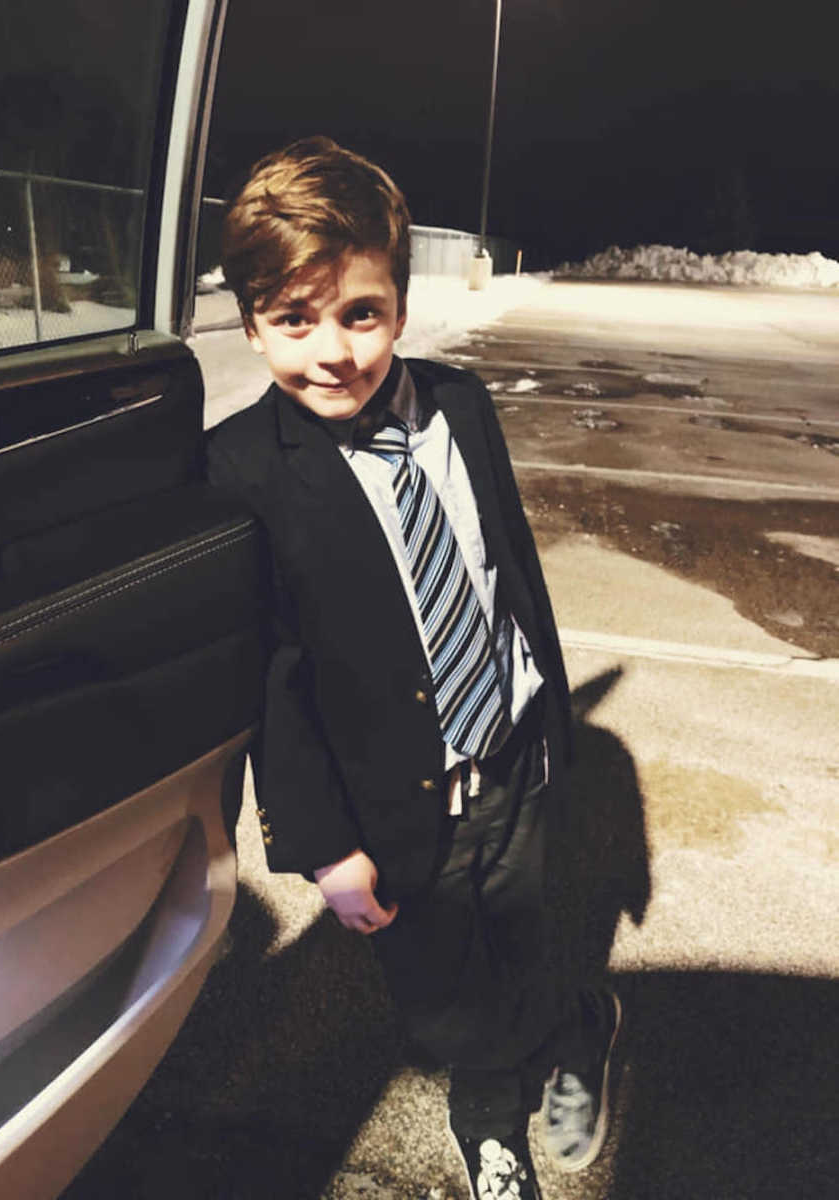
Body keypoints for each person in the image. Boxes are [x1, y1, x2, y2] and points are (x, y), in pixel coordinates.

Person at [206, 136, 621, 1199]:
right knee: (440, 989)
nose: (332, 353)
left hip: (514, 759)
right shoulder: (246, 471)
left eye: (360, 314)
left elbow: (505, 569)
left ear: (400, 302)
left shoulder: (462, 407)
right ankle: (492, 1117)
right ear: (250, 320)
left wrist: (545, 716)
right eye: (294, 321)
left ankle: (575, 1025)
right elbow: (273, 684)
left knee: (526, 930)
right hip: (396, 807)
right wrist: (323, 848)